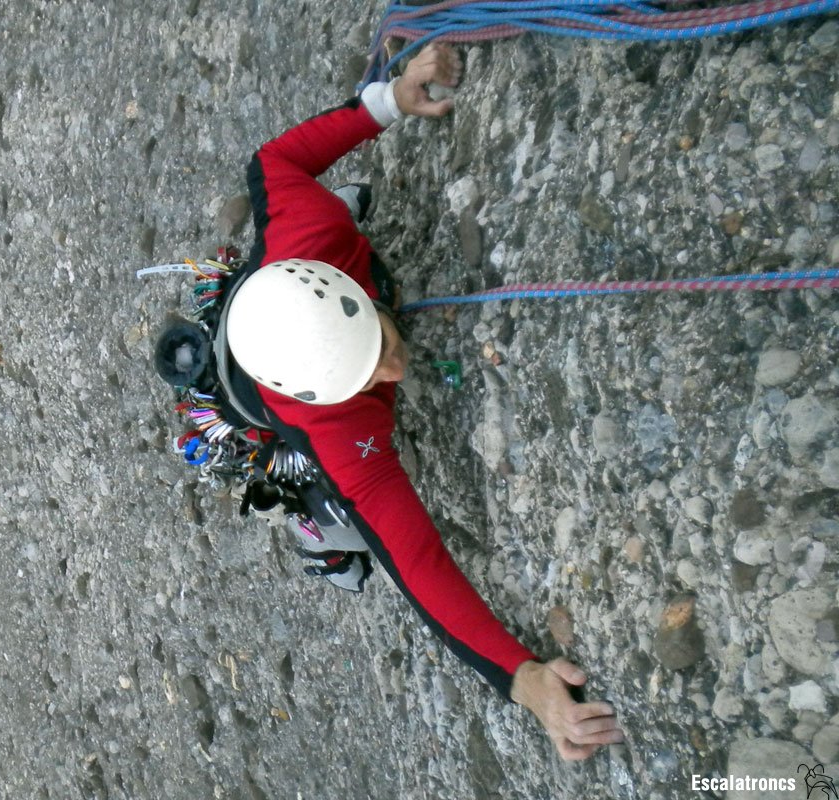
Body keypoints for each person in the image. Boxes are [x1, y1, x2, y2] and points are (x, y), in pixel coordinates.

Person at [223, 42, 625, 761]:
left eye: (380, 342)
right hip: (257, 401)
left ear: (341, 289)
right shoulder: (334, 429)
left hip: (287, 282)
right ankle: (321, 530)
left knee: (339, 219)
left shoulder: (306, 223)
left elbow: (274, 161)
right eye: (369, 377)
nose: (397, 369)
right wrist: (522, 679)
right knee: (353, 524)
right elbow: (416, 561)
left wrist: (387, 101)